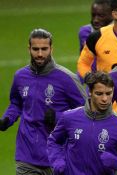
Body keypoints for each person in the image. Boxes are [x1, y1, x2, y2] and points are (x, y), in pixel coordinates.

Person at [0, 28, 86, 175]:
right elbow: (16, 102)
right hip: (26, 155)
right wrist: (7, 119)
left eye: (44, 49)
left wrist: (58, 117)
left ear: (51, 49)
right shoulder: (20, 76)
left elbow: (86, 111)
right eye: (36, 49)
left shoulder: (66, 78)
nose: (40, 54)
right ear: (29, 49)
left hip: (57, 156)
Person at [47, 72, 117, 175]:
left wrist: (115, 162)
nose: (105, 99)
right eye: (99, 94)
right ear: (90, 92)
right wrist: (58, 163)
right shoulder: (69, 117)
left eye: (108, 93)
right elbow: (53, 141)